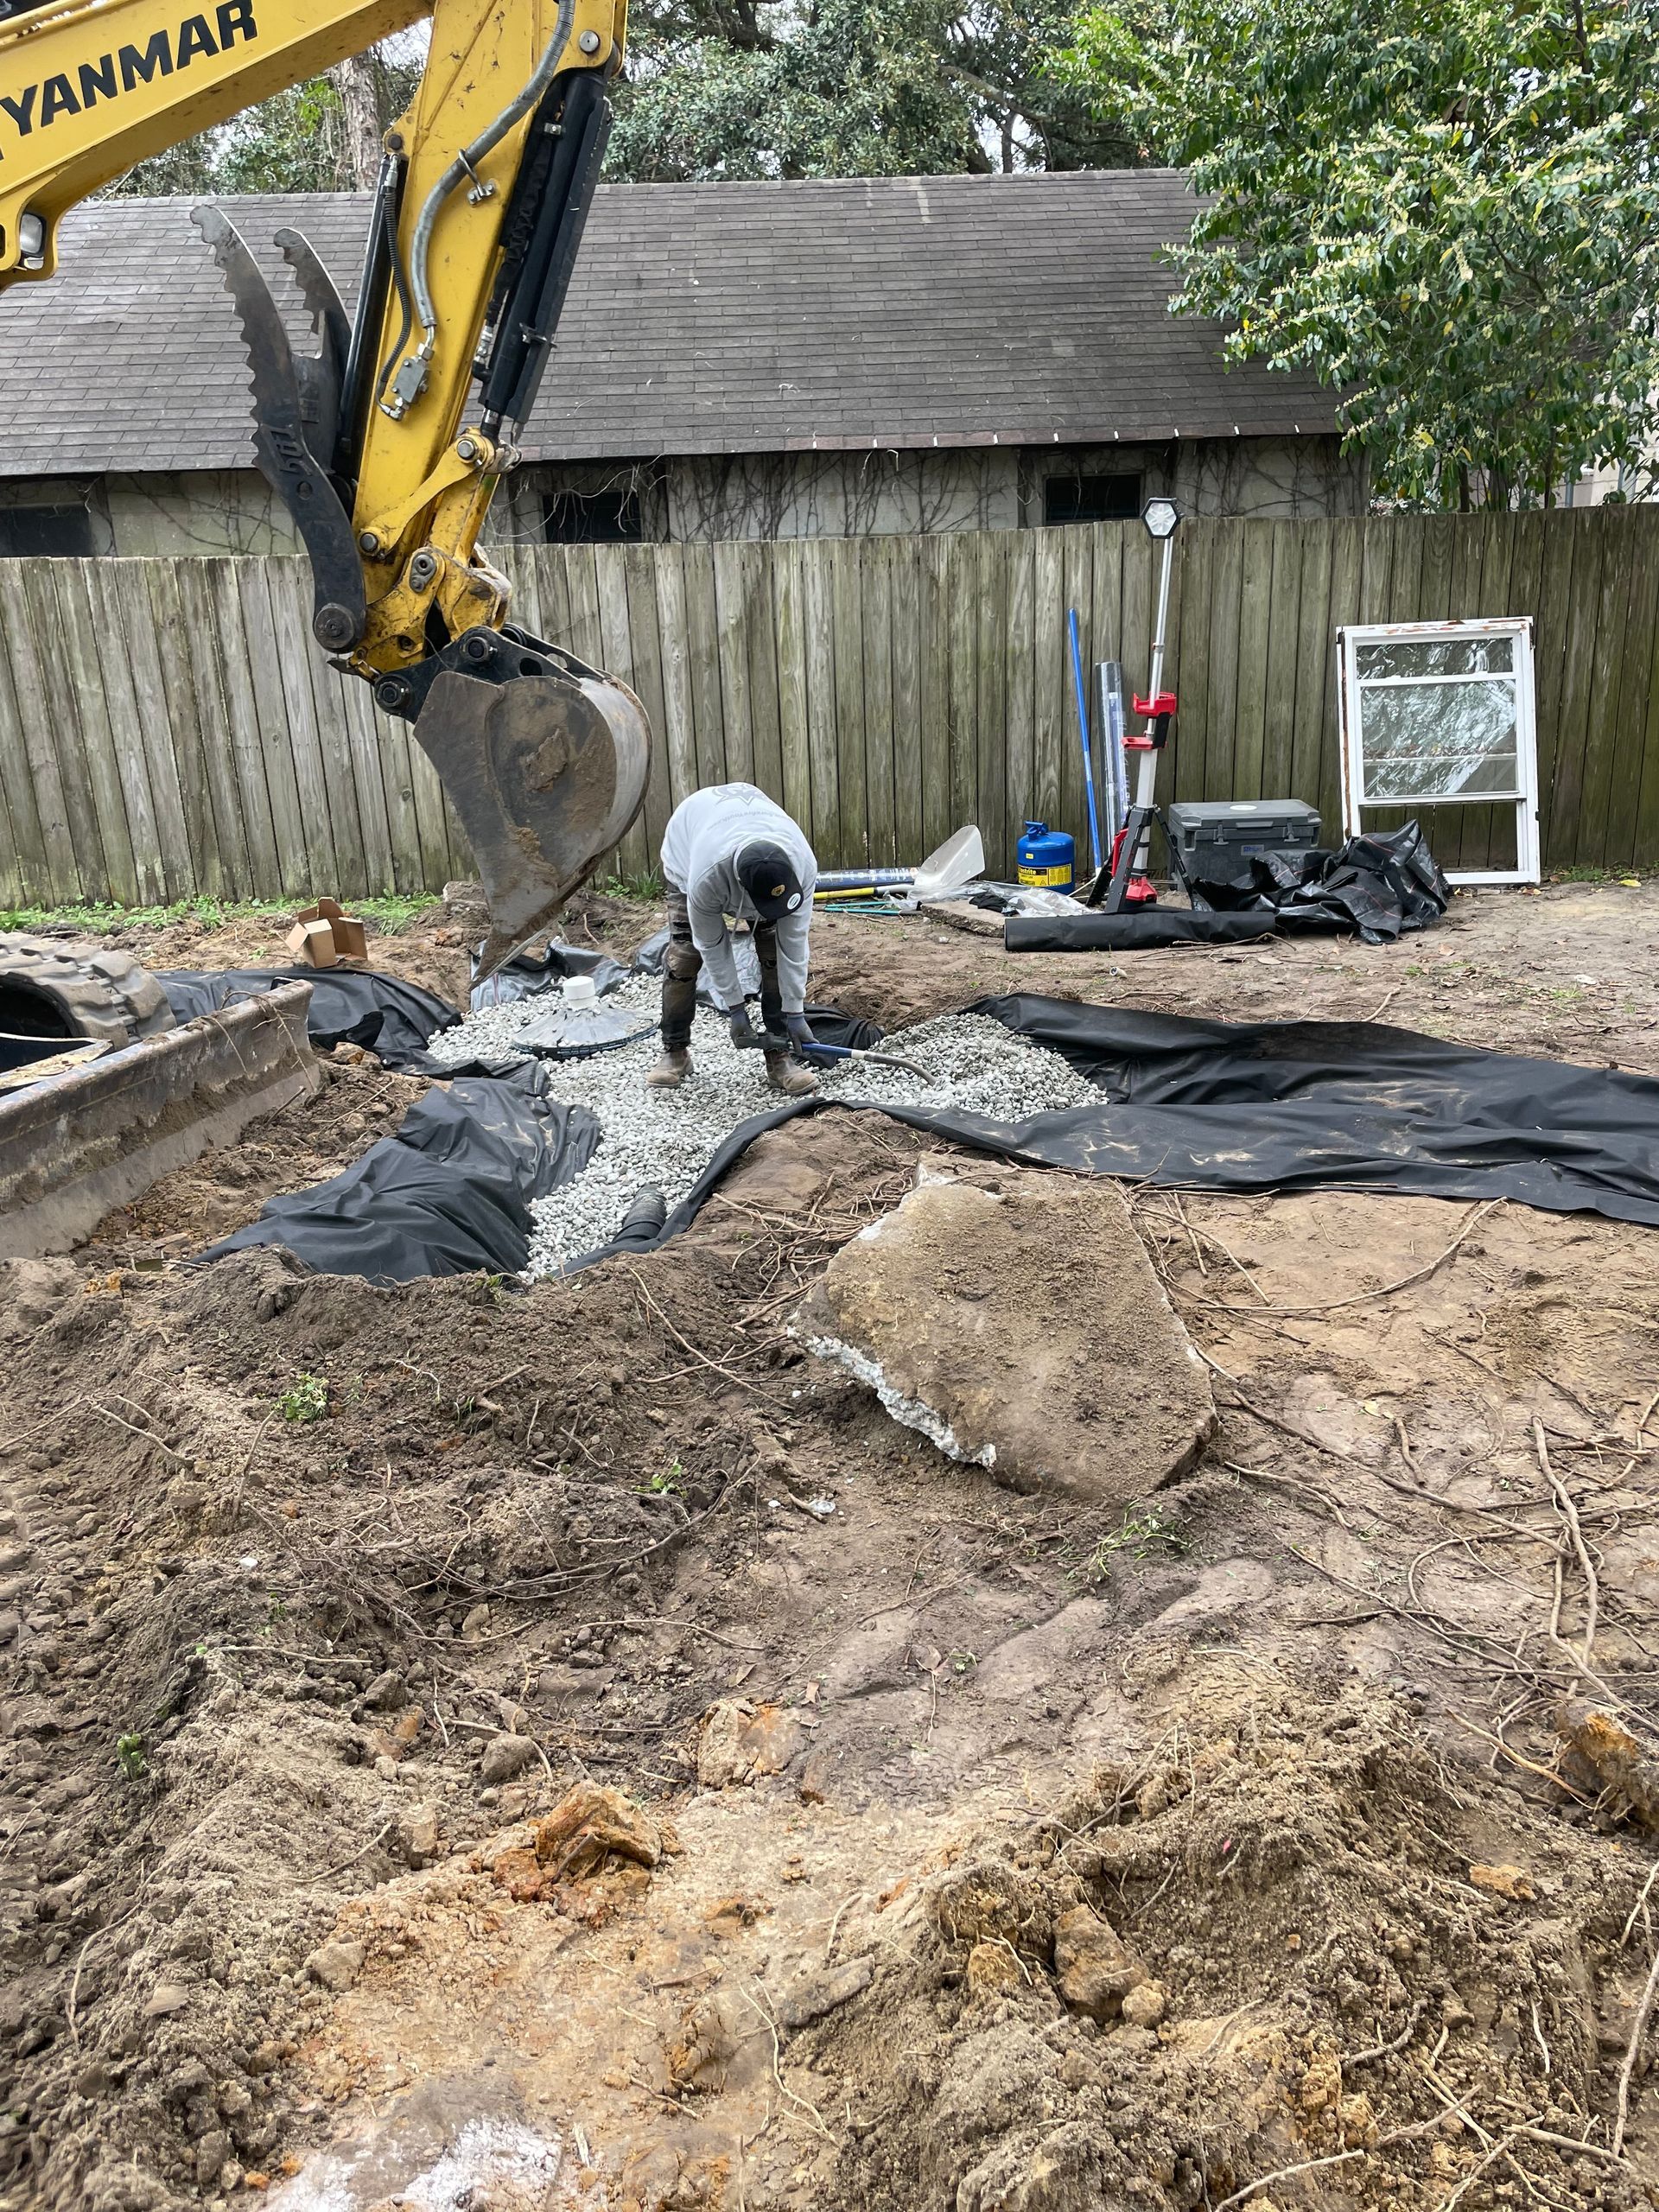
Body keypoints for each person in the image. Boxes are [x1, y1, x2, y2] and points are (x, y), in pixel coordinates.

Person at [648, 783, 819, 1096]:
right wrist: (735, 1009)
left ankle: (779, 1057)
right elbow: (712, 946)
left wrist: (795, 1011)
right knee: (684, 958)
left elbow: (793, 946)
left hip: (745, 841)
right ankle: (675, 1051)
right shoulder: (706, 877)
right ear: (741, 886)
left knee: (774, 955)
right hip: (688, 846)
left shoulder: (802, 866)